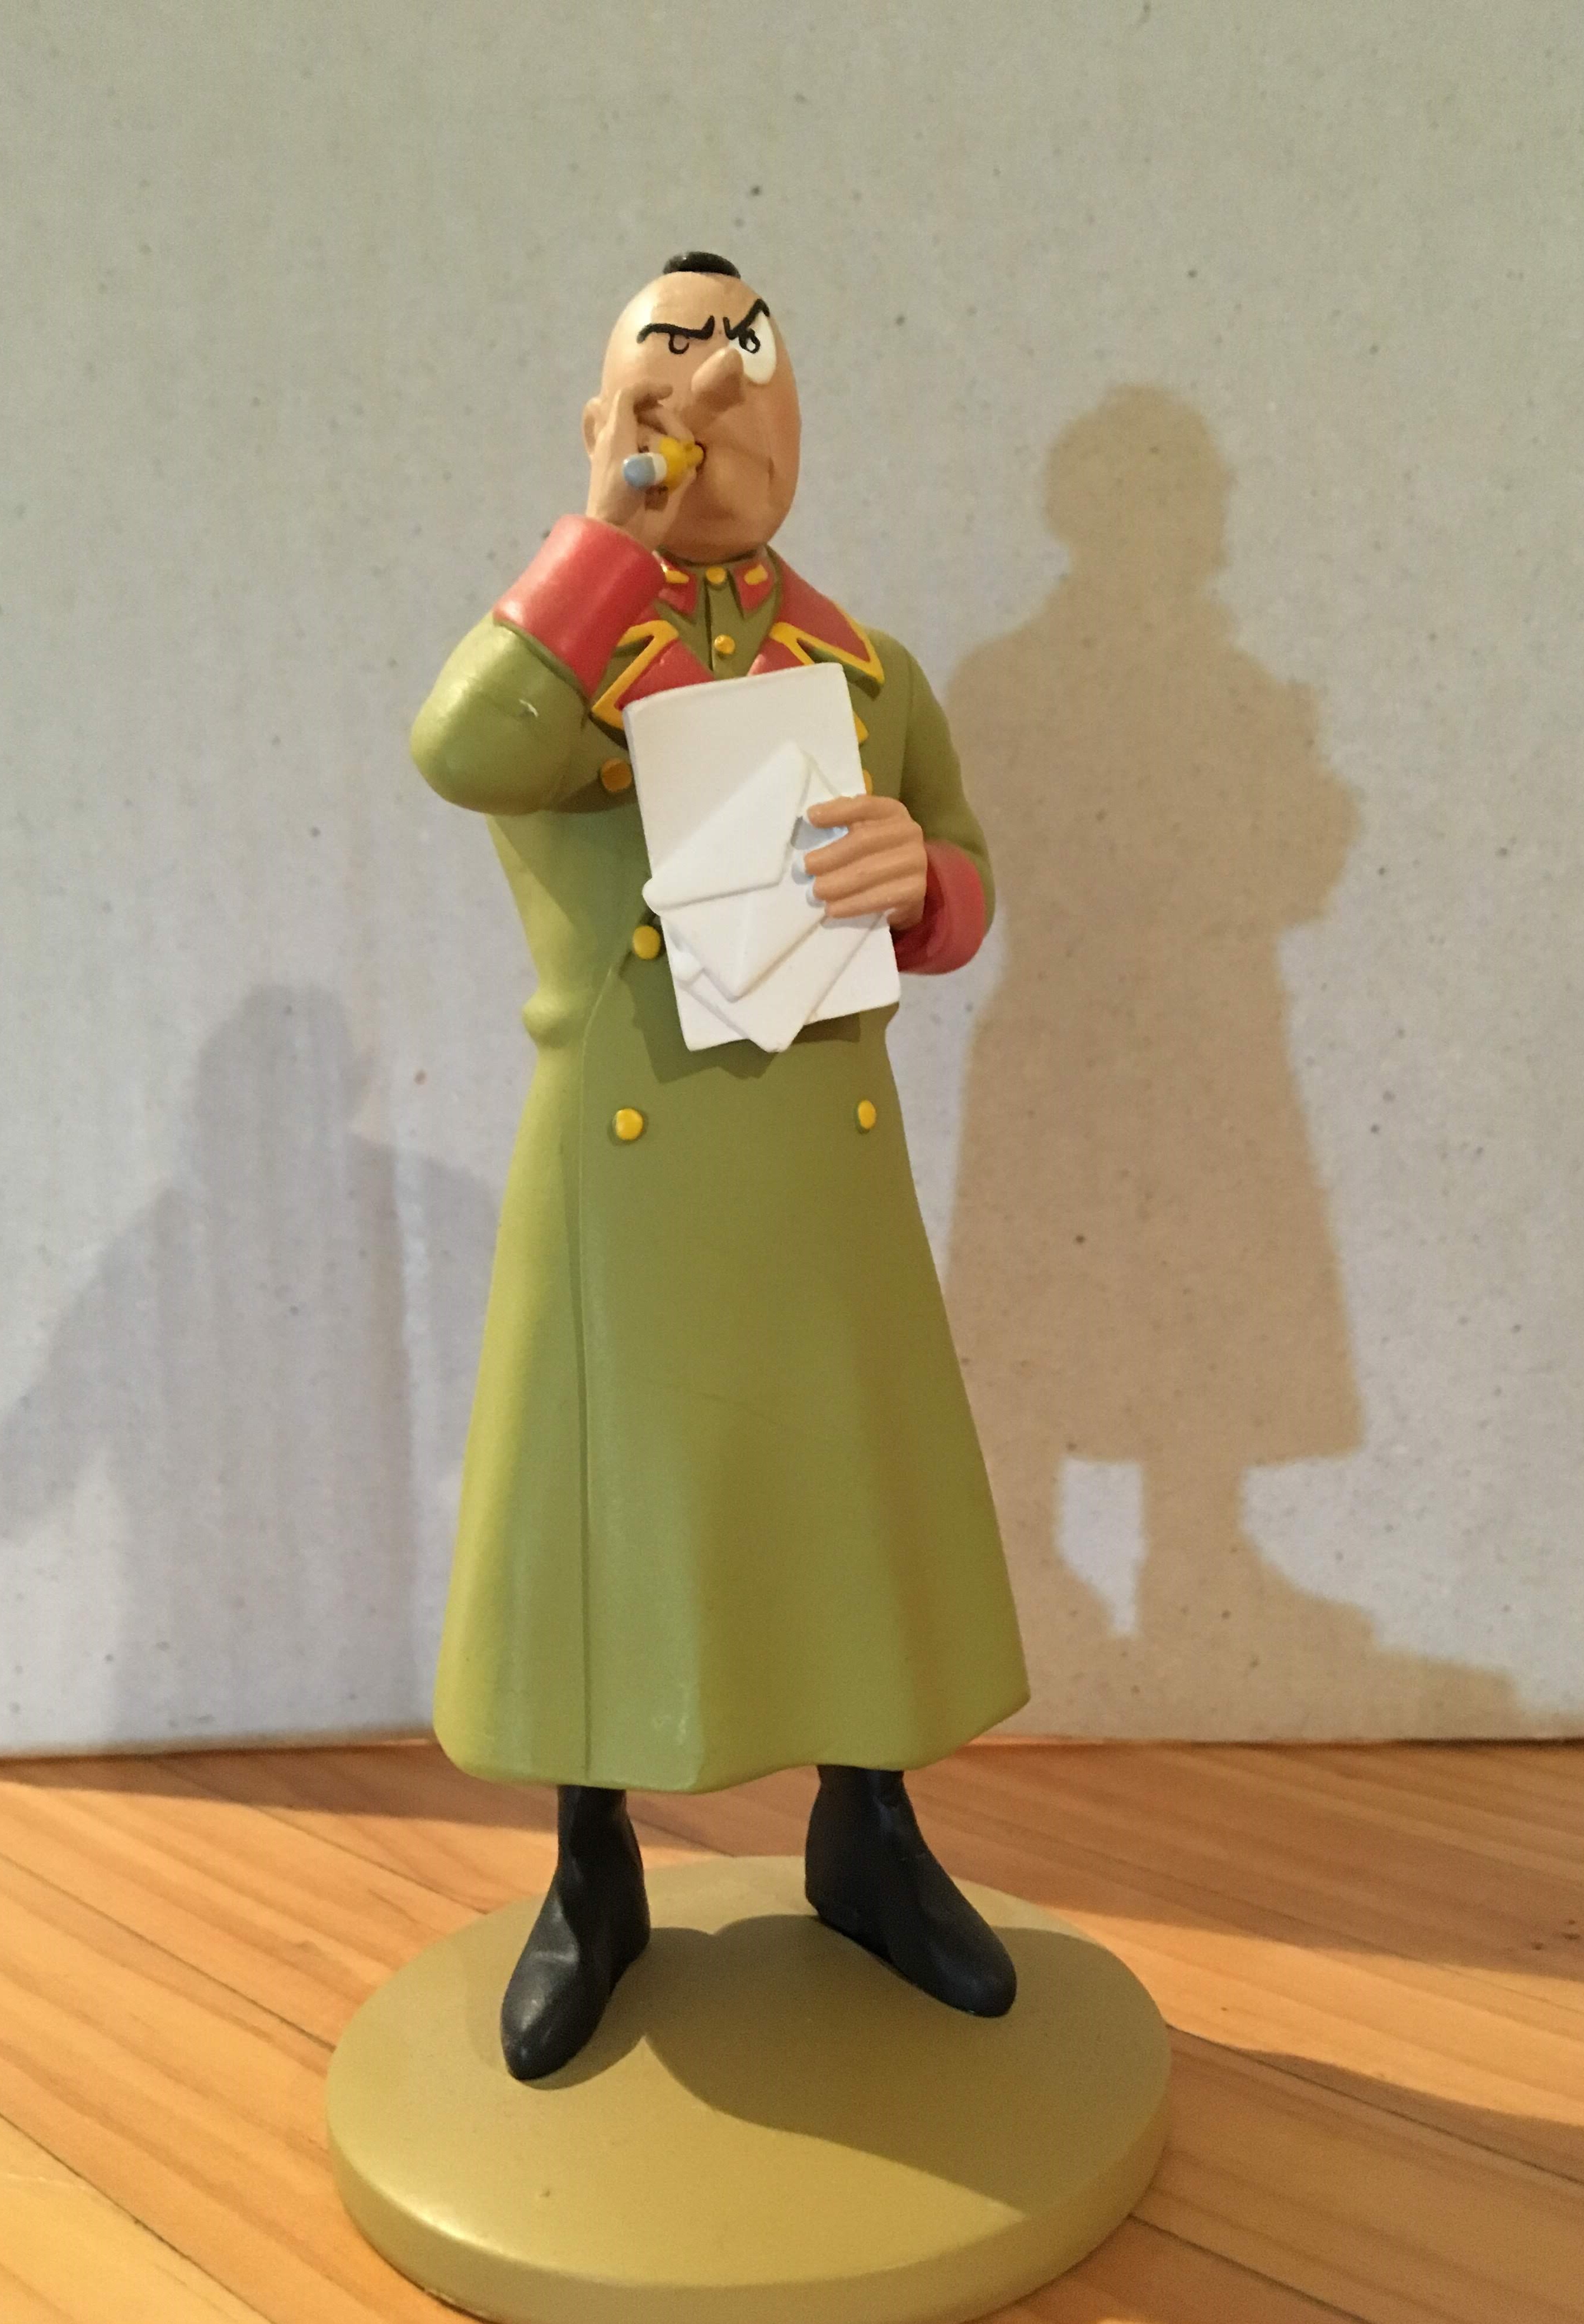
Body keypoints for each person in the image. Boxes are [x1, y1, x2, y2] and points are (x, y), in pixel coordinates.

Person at [410, 253, 1028, 2081]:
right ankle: (589, 1865)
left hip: (820, 1155)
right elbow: (462, 749)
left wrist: (923, 880)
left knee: (841, 1484)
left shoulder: (866, 669)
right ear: (599, 416)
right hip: (625, 1163)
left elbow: (964, 866)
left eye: (749, 359)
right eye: (669, 354)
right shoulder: (557, 659)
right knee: (609, 1509)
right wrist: (603, 539)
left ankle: (869, 1828)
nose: (713, 390)